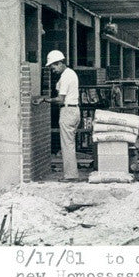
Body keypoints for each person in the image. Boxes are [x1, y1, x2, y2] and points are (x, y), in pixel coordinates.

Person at [33, 50, 80, 181]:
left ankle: (70, 176)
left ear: (59, 63)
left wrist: (44, 99)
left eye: (53, 66)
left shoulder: (66, 76)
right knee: (69, 143)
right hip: (73, 110)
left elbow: (60, 99)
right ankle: (72, 174)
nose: (52, 69)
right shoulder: (70, 74)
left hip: (68, 111)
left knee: (67, 145)